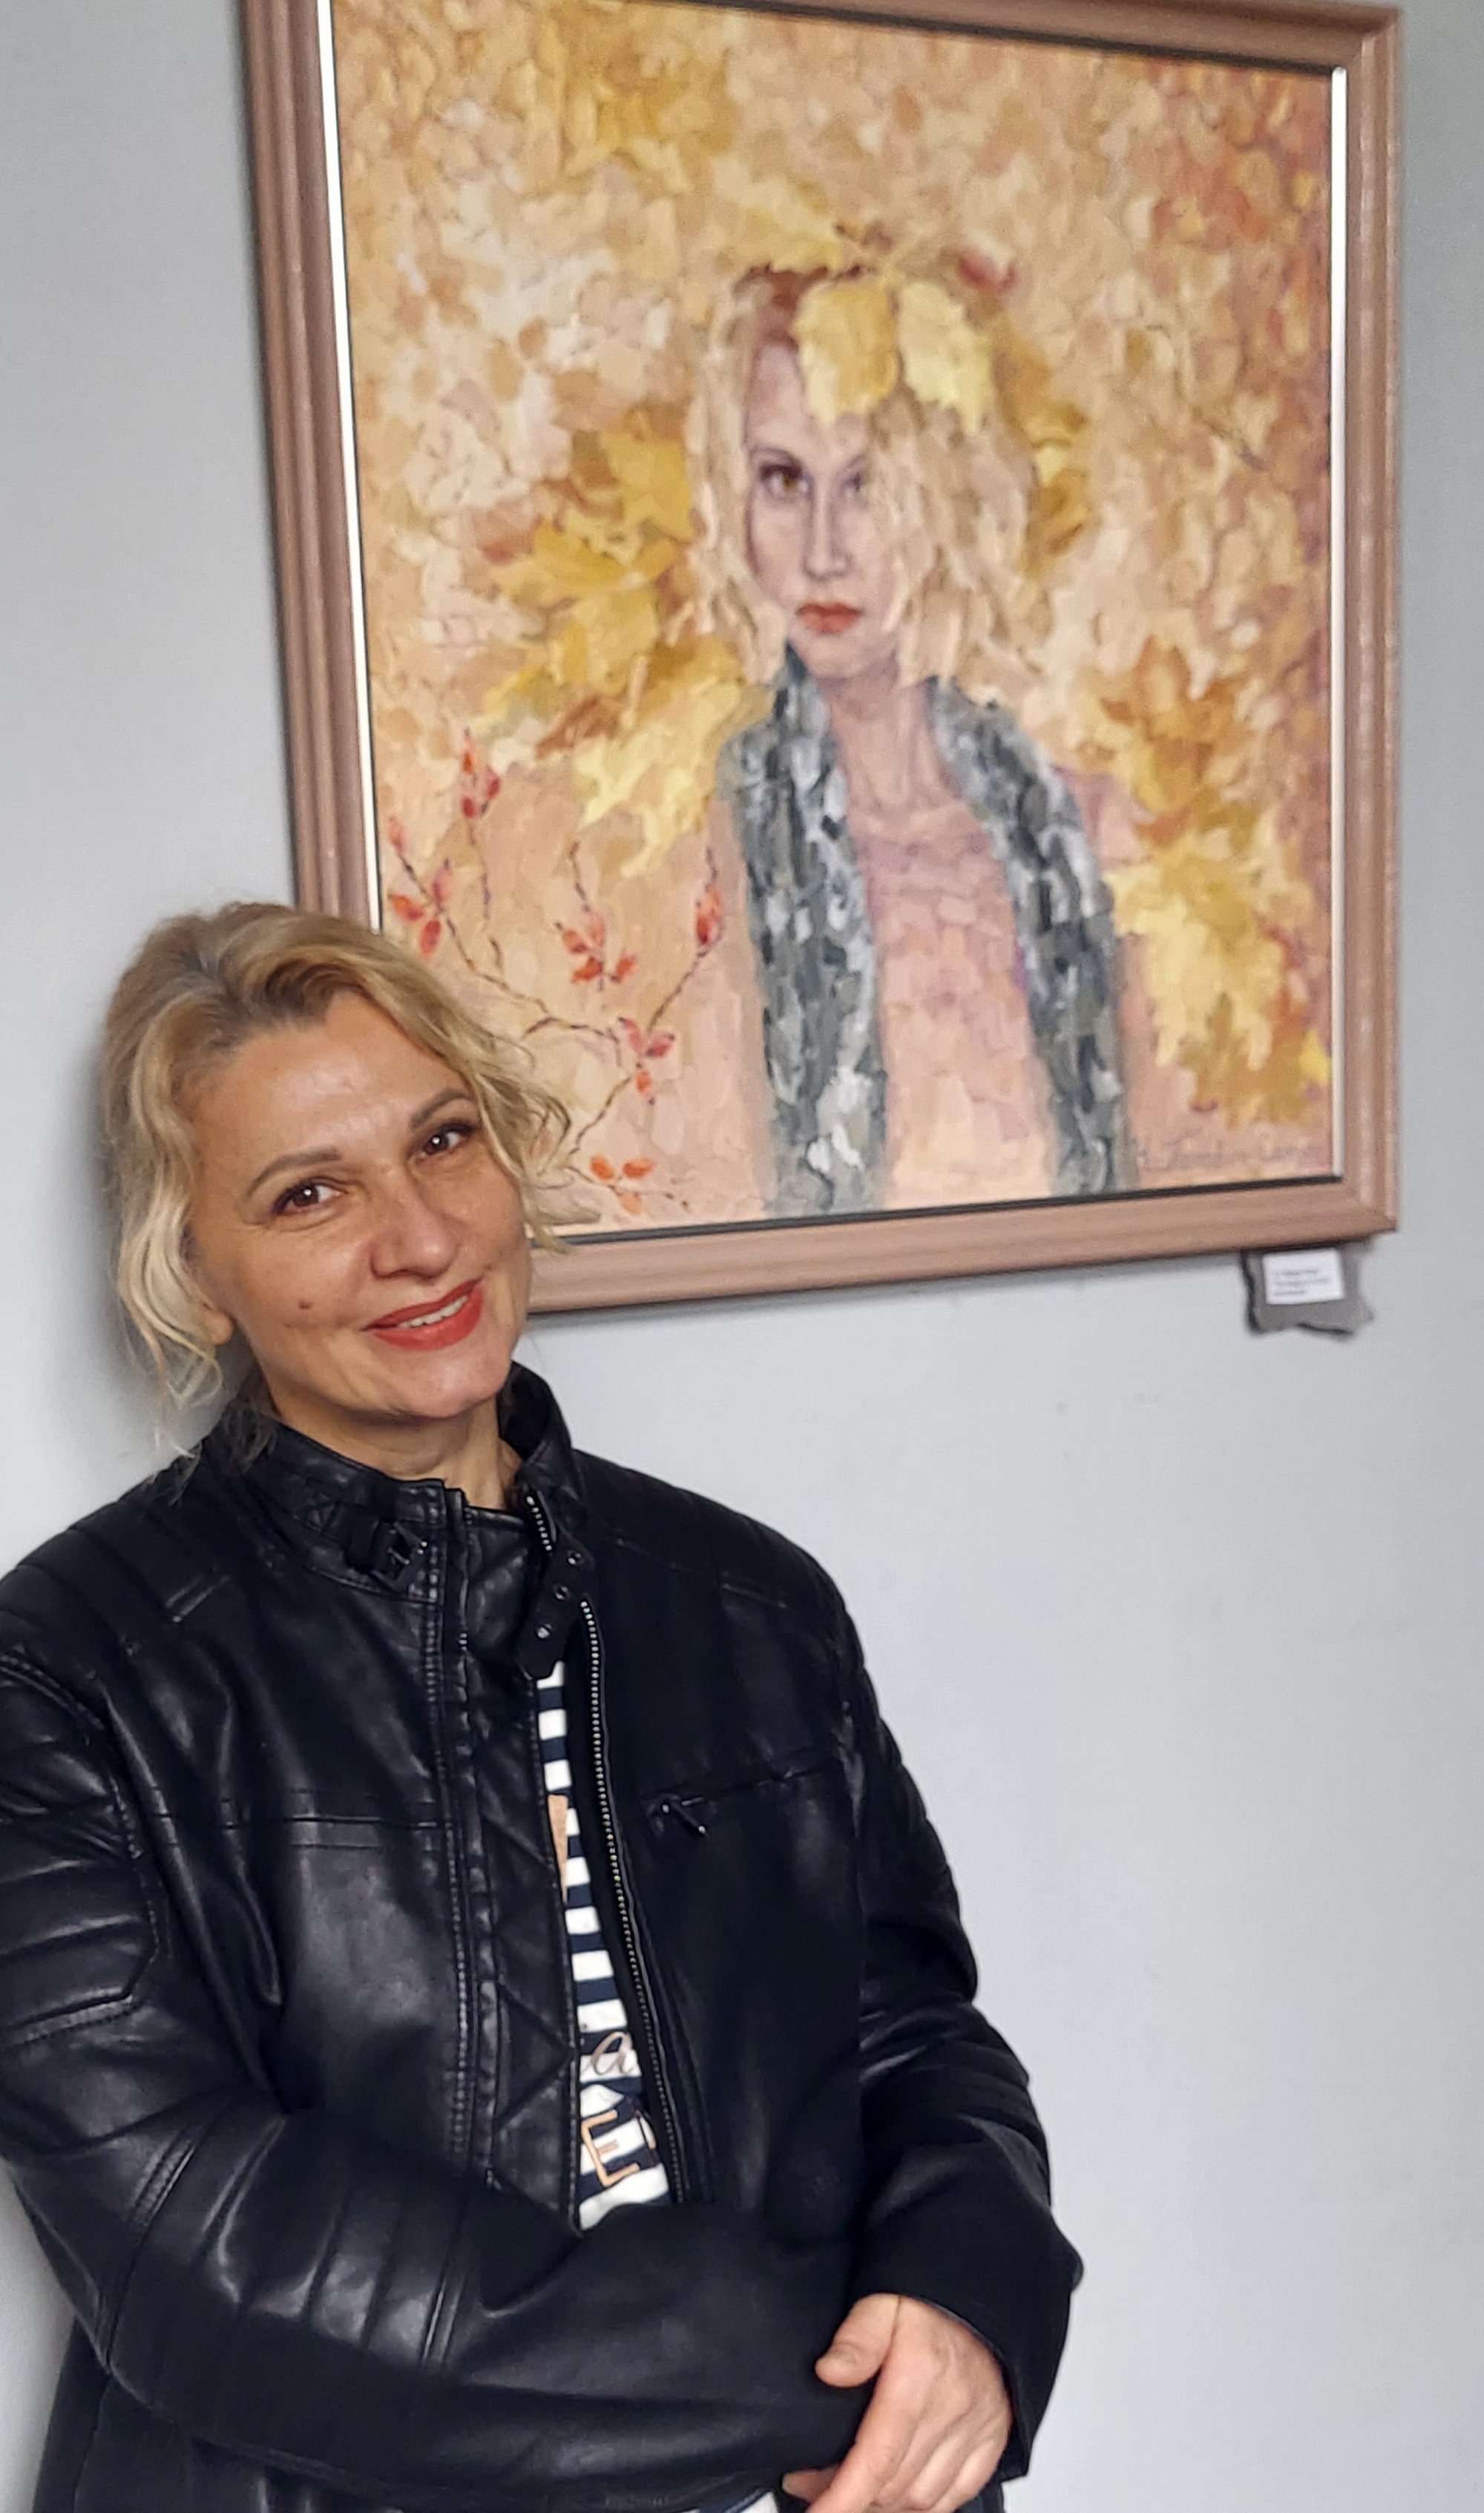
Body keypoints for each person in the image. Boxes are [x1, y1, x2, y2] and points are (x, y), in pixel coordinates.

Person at [0, 902, 1080, 2513]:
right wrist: (799, 2379)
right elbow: (182, 2230)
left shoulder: (750, 1600)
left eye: (444, 1140)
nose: (421, 1237)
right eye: (309, 1194)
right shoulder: (64, 1665)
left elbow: (910, 2029)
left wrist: (972, 2296)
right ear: (197, 1277)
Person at [686, 263, 1132, 1219]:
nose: (822, 552)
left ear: (950, 496)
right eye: (783, 481)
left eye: (868, 486)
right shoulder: (712, 839)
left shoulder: (1081, 832)